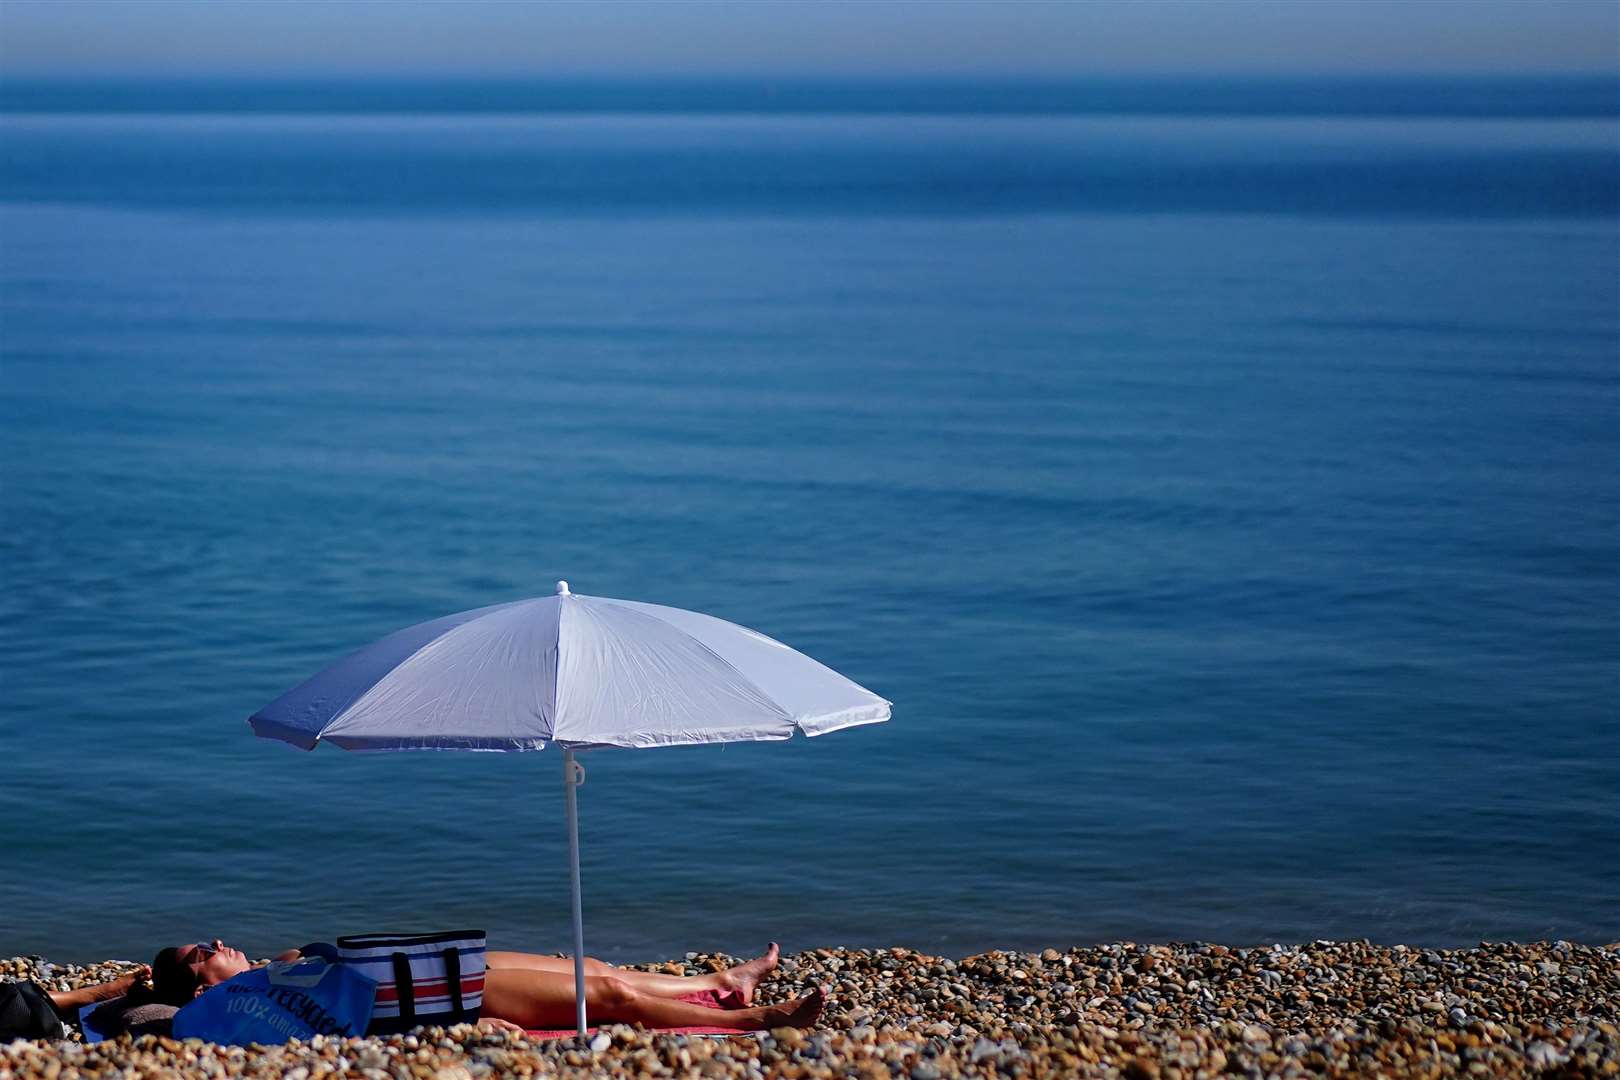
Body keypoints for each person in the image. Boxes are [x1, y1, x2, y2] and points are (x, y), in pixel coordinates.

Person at [148, 939, 826, 1032]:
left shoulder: (273, 969)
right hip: (443, 999)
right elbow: (336, 1032)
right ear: (197, 983)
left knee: (596, 971)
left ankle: (718, 980)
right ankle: (758, 1021)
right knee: (612, 1004)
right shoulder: (223, 1011)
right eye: (203, 952)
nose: (218, 945)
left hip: (437, 964)